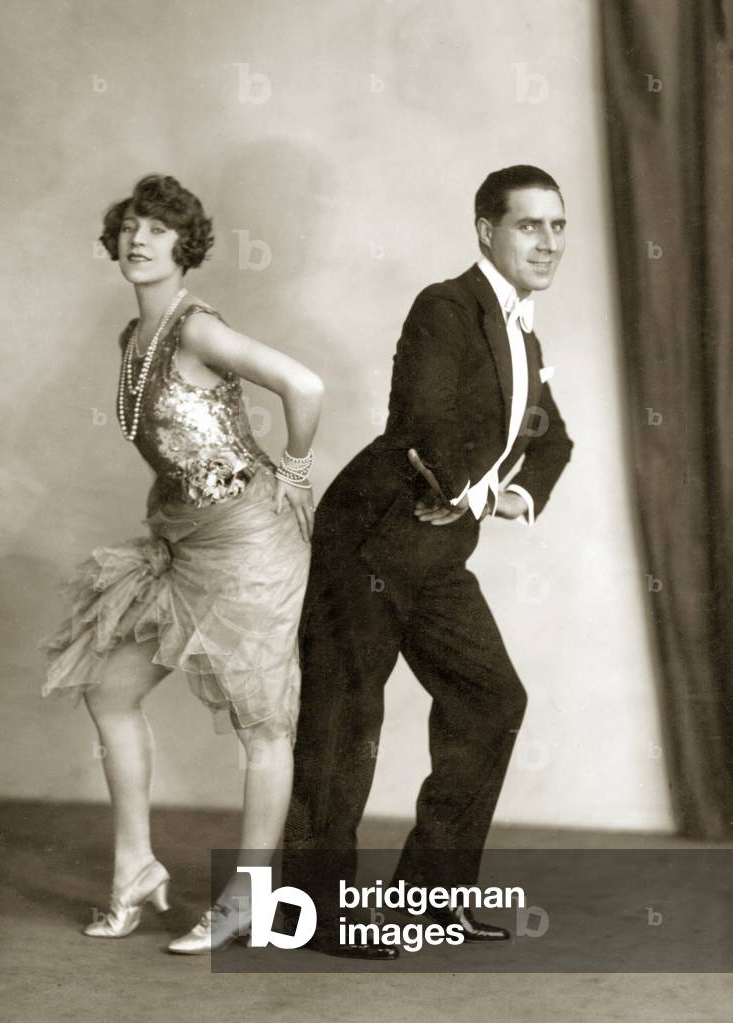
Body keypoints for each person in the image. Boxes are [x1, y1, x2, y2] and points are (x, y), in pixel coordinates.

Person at [282, 165, 573, 960]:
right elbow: (422, 422)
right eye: (529, 225)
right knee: (346, 717)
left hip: (437, 551)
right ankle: (309, 913)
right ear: (487, 231)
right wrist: (470, 491)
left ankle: (429, 899)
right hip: (369, 539)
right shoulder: (445, 307)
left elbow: (552, 439)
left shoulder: (524, 333)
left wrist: (506, 495)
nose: (548, 241)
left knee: (491, 699)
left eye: (558, 226)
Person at [41, 174, 323, 954]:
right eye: (130, 226)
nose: (139, 239)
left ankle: (250, 896)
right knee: (108, 688)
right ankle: (134, 868)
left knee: (262, 724)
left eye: (159, 230)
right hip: (182, 542)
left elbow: (304, 384)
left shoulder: (197, 327)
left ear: (185, 246)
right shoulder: (133, 337)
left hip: (251, 541)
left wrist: (297, 469)